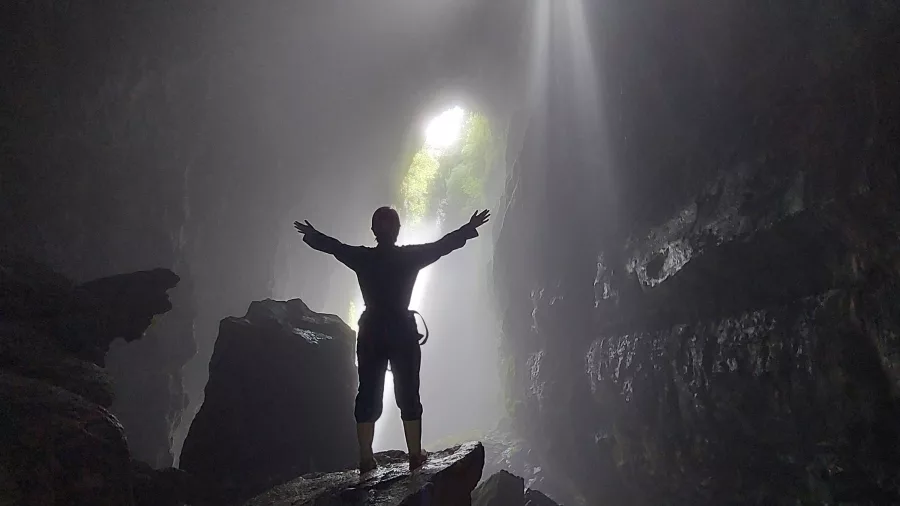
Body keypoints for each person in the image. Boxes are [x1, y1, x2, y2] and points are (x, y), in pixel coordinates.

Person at [294, 207, 490, 473]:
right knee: (408, 391)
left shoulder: (362, 258)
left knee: (368, 393)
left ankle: (365, 456)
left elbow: (335, 247)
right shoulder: (410, 257)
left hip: (372, 331)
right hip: (402, 331)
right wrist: (469, 227)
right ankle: (414, 455)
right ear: (398, 230)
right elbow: (442, 246)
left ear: (373, 231)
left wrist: (313, 234)